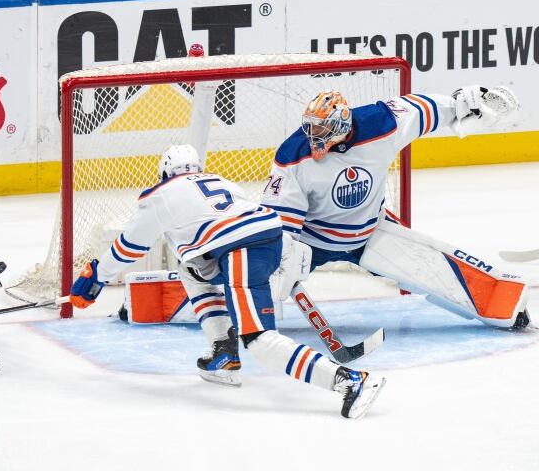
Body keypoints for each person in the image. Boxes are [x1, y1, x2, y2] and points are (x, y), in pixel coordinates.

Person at [68, 144, 385, 419]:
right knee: (189, 266)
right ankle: (223, 350)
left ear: (165, 173)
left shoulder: (161, 194)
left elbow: (129, 247)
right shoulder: (221, 181)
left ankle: (348, 380)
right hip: (270, 239)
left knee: (259, 341)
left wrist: (94, 279)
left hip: (242, 250)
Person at [260, 86, 531, 330]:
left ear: (343, 123)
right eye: (312, 128)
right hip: (312, 243)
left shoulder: (381, 123)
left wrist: (464, 103)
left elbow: (423, 109)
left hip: (373, 231)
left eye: (322, 130)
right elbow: (280, 220)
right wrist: (283, 256)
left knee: (431, 268)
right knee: (256, 270)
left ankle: (504, 304)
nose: (314, 136)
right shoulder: (292, 155)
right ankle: (237, 322)